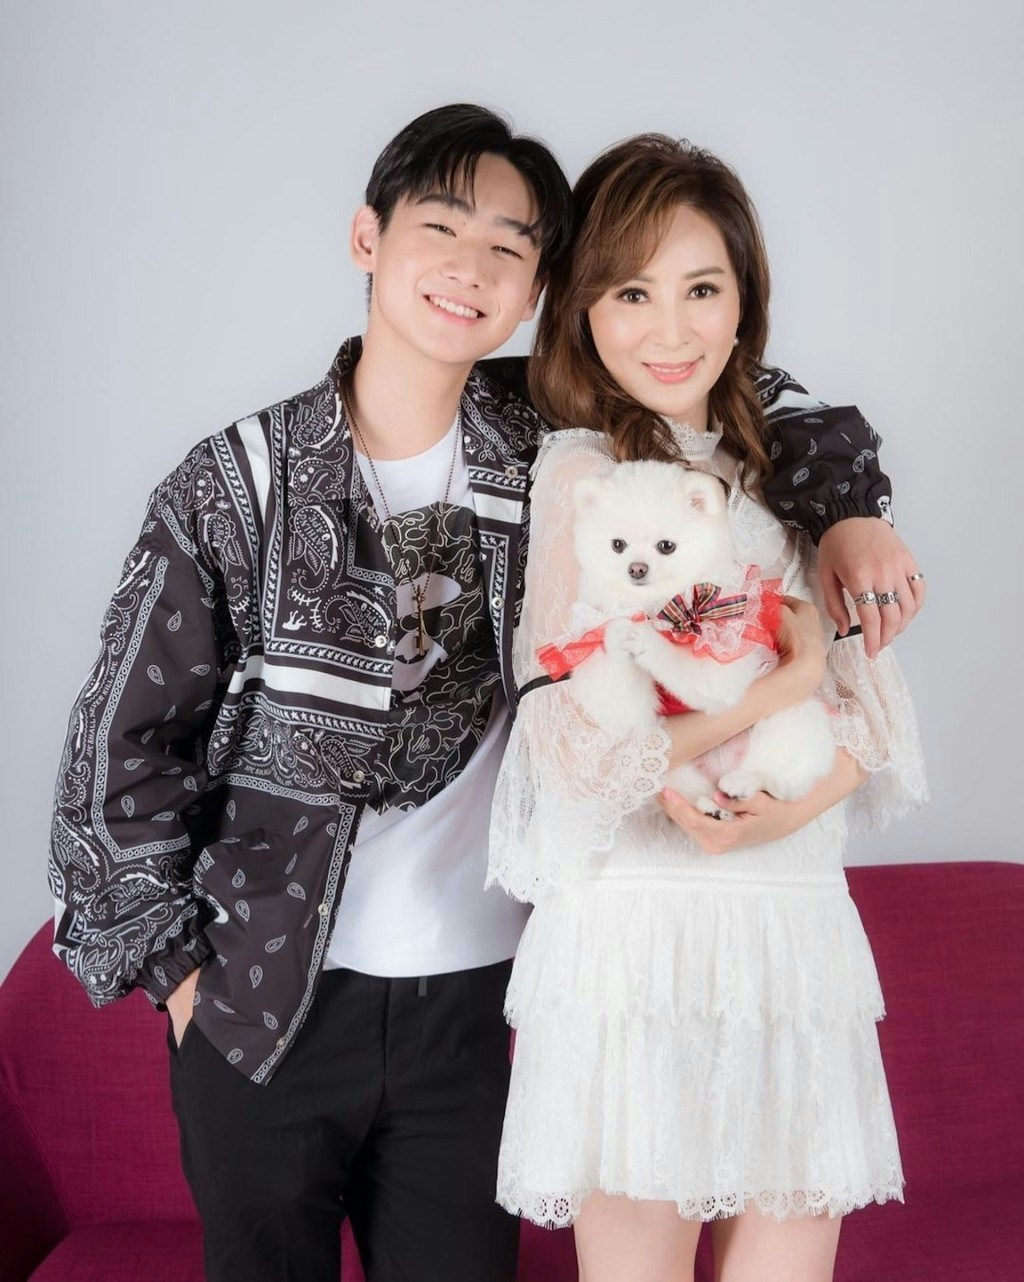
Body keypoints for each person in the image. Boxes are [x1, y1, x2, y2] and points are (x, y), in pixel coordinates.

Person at [48, 106, 918, 1282]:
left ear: (536, 291)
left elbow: (747, 389)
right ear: (368, 237)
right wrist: (182, 980)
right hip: (268, 1001)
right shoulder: (235, 484)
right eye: (441, 229)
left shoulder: (541, 437)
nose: (470, 268)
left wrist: (855, 510)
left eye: (508, 247)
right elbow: (118, 751)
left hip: (472, 1004)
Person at [487, 135, 928, 1282]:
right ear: (583, 307)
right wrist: (780, 686)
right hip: (639, 939)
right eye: (632, 293)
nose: (670, 329)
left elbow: (875, 721)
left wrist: (779, 811)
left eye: (701, 289)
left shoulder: (795, 475)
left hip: (791, 936)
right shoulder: (577, 478)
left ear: (744, 303)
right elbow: (573, 751)